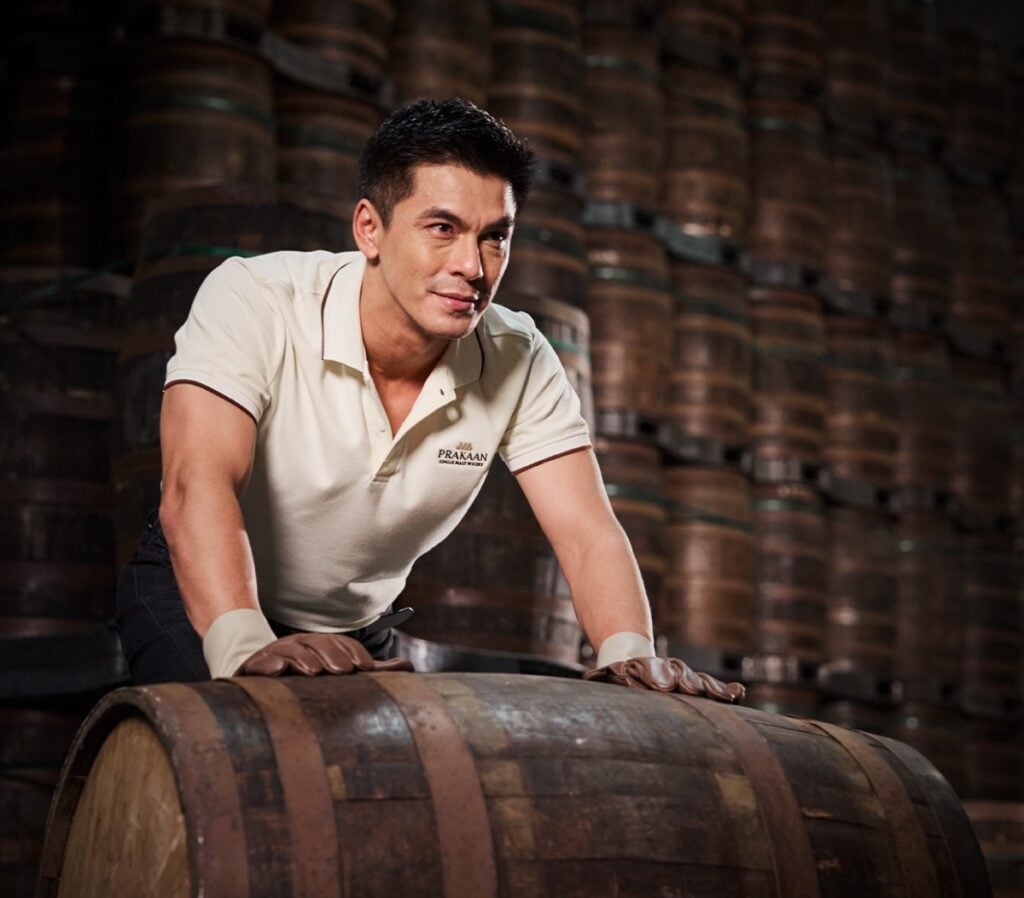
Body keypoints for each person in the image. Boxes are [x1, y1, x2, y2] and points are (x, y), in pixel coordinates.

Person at [115, 98, 743, 703]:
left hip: (355, 633)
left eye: (495, 237)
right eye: (441, 229)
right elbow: (197, 486)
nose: (472, 265)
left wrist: (628, 652)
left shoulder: (519, 355)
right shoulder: (255, 297)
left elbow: (584, 529)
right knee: (233, 765)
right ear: (371, 228)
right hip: (201, 597)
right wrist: (244, 644)